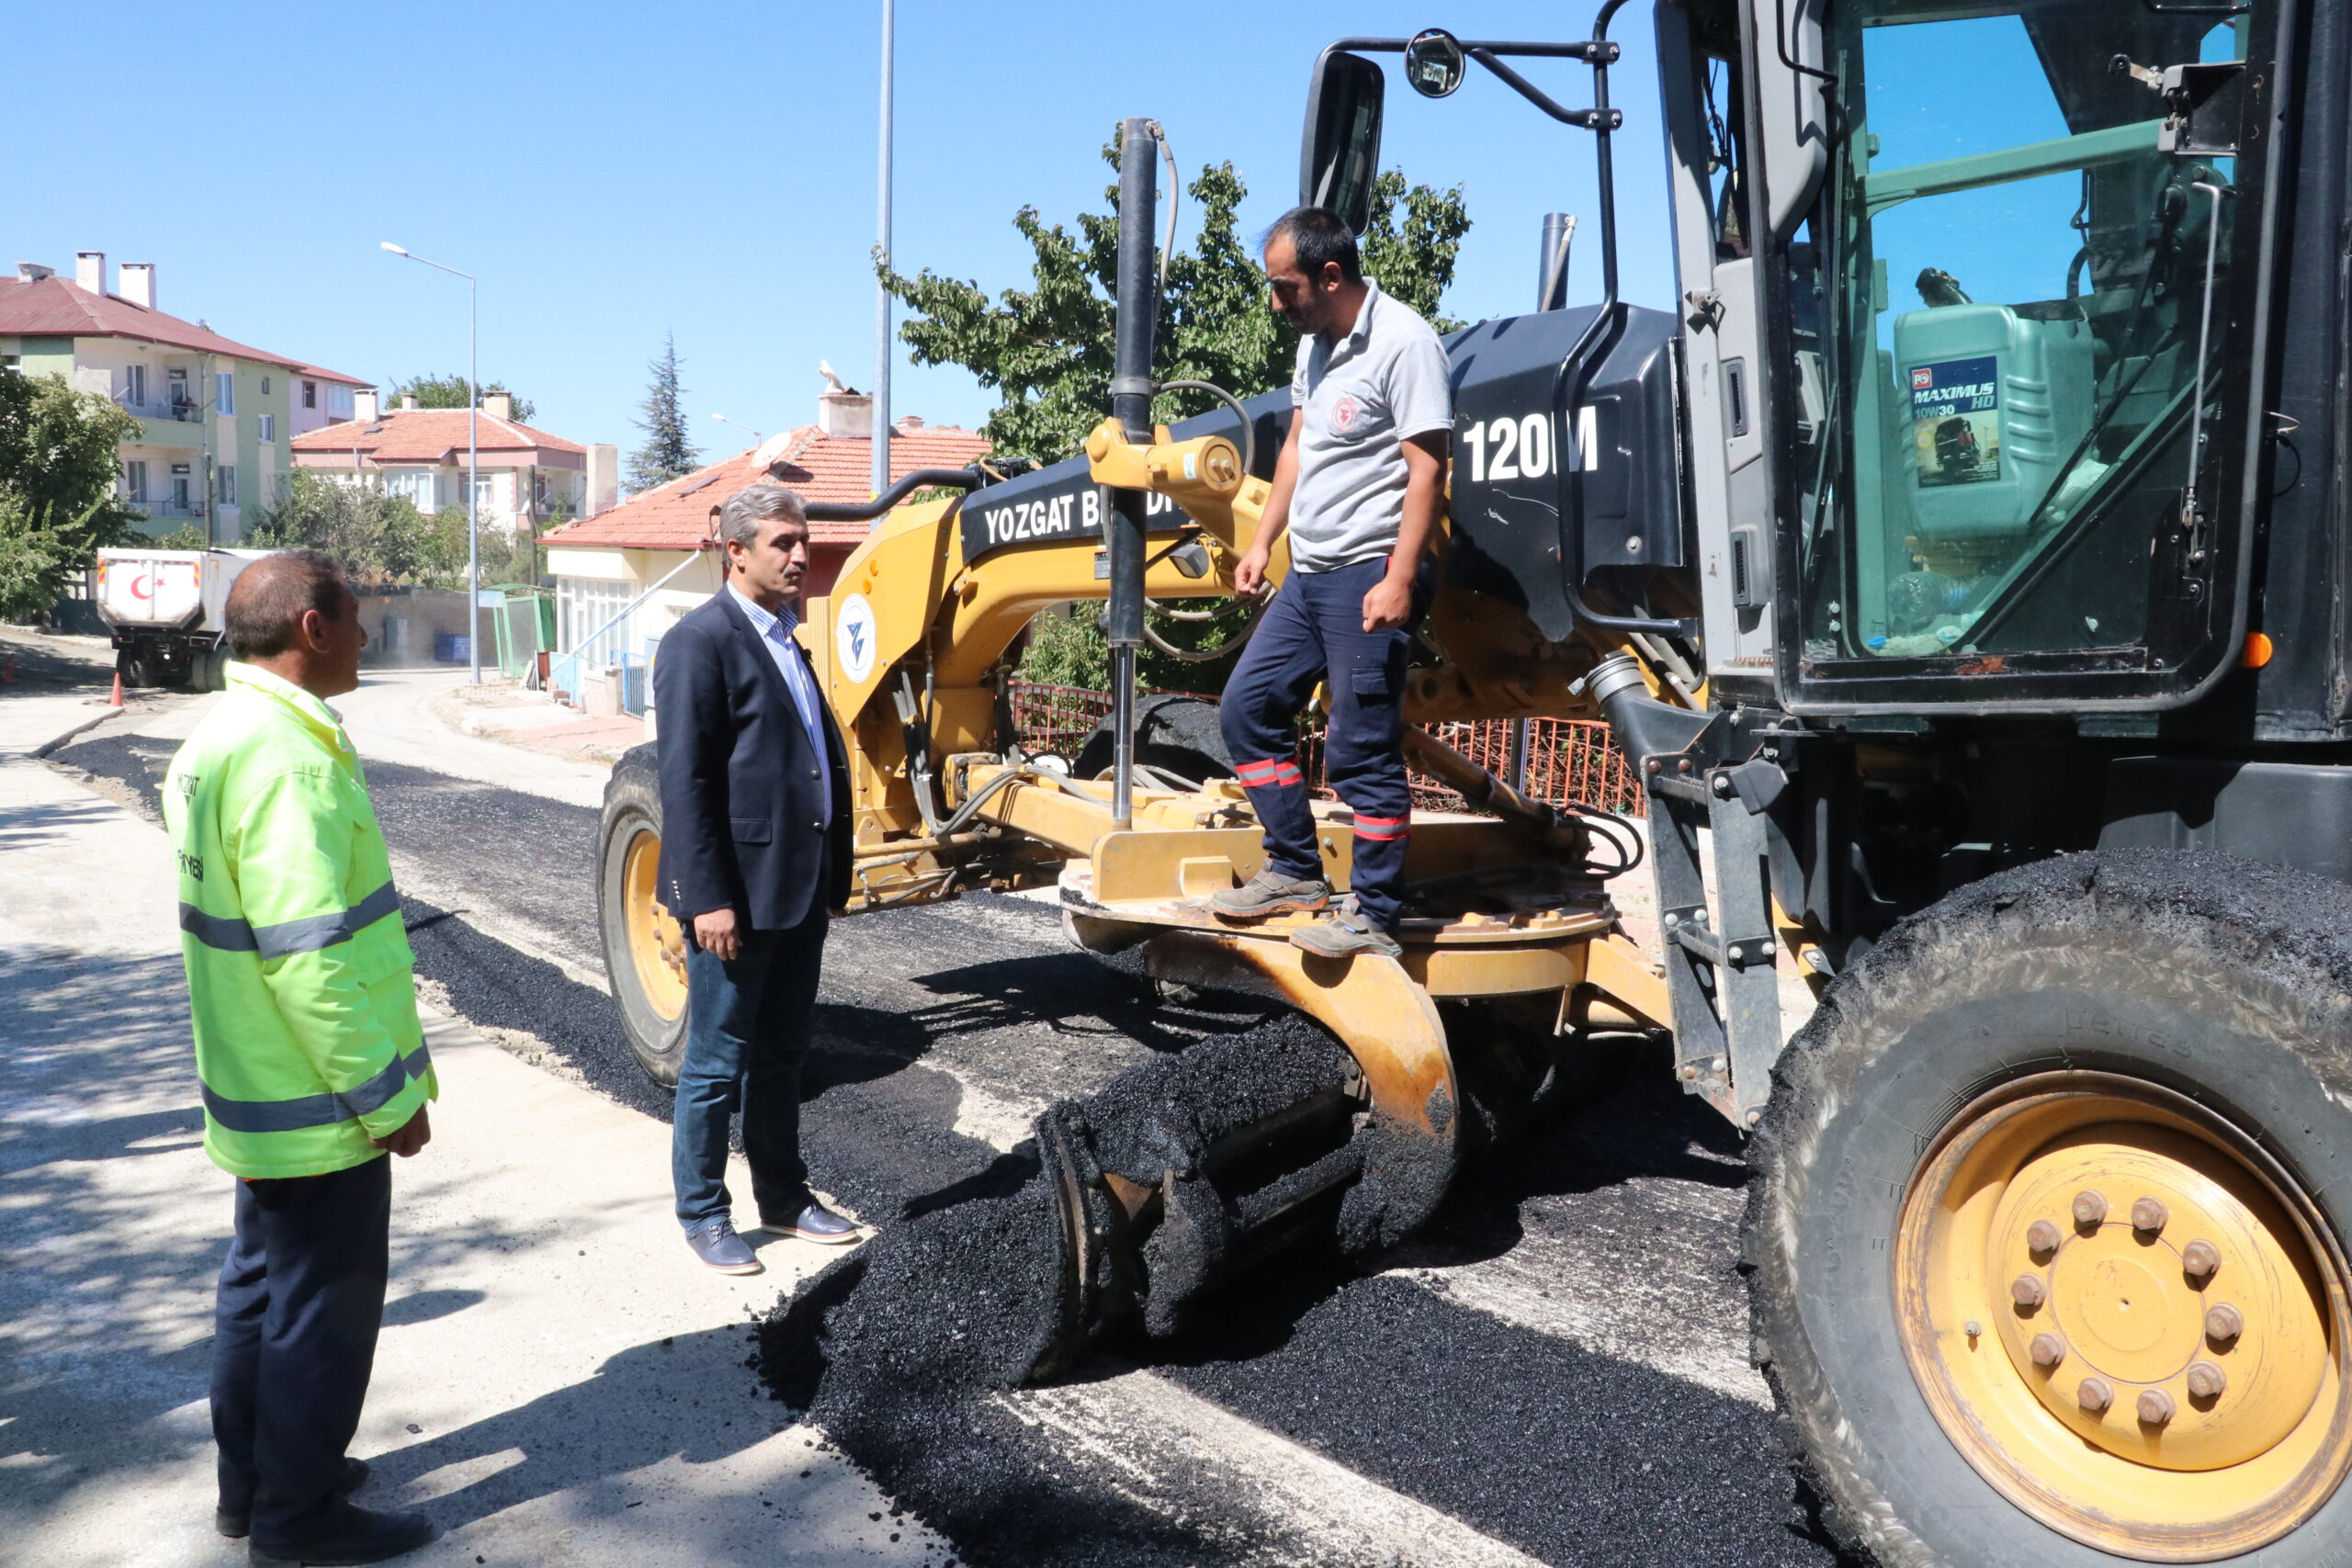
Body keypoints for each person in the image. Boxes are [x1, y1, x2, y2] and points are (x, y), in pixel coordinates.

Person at [163, 550, 437, 1566]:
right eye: (356, 620)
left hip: (254, 1086)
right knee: (319, 1316)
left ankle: (258, 1486)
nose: (367, 637)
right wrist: (383, 1096)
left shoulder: (218, 739)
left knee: (259, 1290)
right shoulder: (285, 758)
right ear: (312, 630)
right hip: (317, 1097)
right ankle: (299, 1518)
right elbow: (310, 958)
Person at [1213, 205, 1454, 957]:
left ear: (1329, 275)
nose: (1275, 303)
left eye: (1284, 288)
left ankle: (1376, 912)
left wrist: (1400, 579)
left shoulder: (1406, 343)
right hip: (1311, 572)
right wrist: (1261, 542)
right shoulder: (1316, 348)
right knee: (1246, 709)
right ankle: (1295, 869)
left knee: (1360, 748)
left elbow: (1429, 470)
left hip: (1370, 573)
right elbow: (1296, 450)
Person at [654, 483, 859, 1275]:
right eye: (782, 542)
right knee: (716, 1059)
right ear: (734, 550)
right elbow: (687, 783)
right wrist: (706, 897)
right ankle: (703, 1211)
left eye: (802, 540)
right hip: (732, 899)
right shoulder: (700, 642)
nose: (800, 554)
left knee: (782, 1054)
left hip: (796, 891)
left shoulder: (786, 638)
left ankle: (783, 1195)